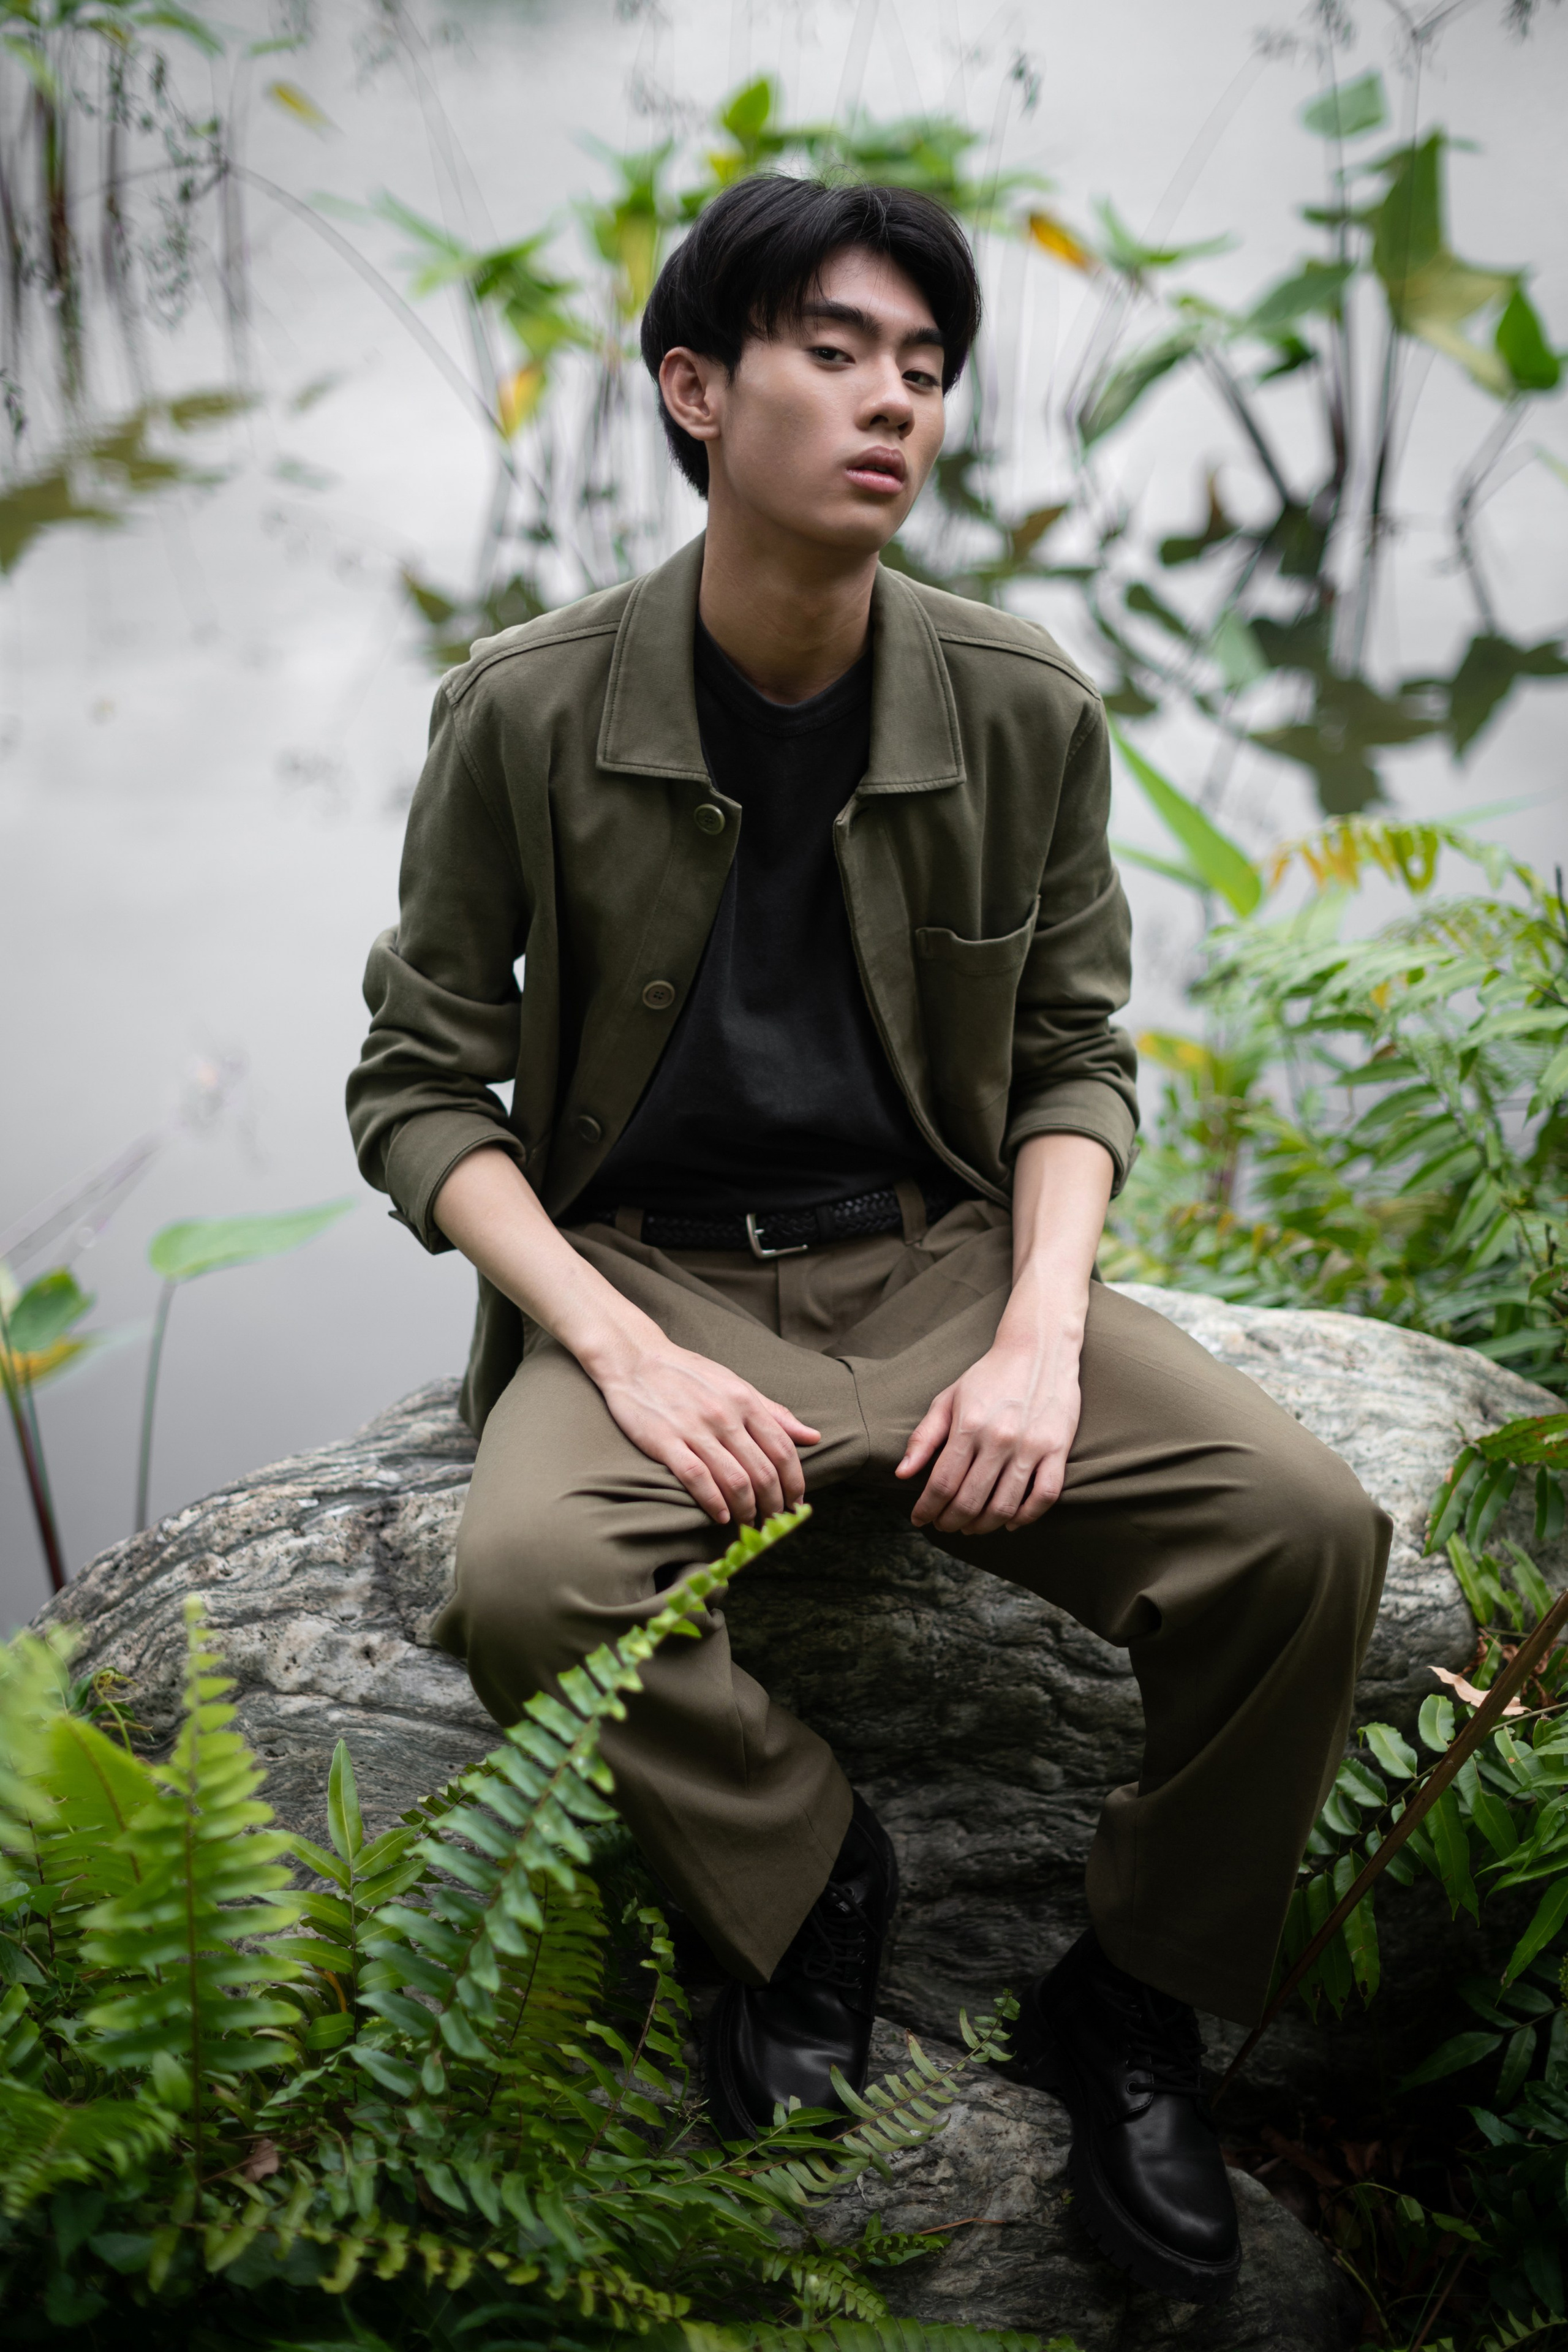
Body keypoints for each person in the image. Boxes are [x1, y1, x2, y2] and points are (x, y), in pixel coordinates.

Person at [347, 174, 1390, 2304]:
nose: (893, 401)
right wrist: (617, 1354)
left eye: (926, 366)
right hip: (650, 1270)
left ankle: (1134, 1999)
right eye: (834, 352)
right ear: (697, 392)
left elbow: (1080, 1062)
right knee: (530, 1579)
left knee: (1302, 1532)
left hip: (935, 1259)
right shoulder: (529, 710)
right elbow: (416, 1090)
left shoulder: (1021, 705)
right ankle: (809, 1880)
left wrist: (1035, 1332)